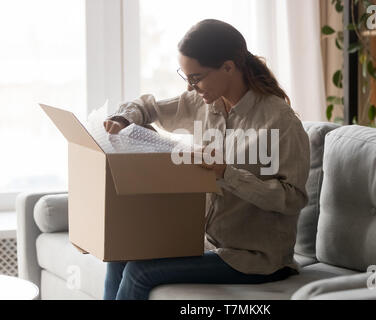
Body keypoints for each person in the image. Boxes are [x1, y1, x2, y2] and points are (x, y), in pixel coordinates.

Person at [102, 19, 310, 300]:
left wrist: (227, 173)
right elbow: (148, 107)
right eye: (186, 77)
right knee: (121, 250)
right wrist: (124, 117)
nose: (190, 87)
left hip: (255, 258)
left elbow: (292, 199)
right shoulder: (203, 102)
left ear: (228, 66)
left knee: (140, 272)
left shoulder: (279, 121)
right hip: (206, 243)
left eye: (196, 77)